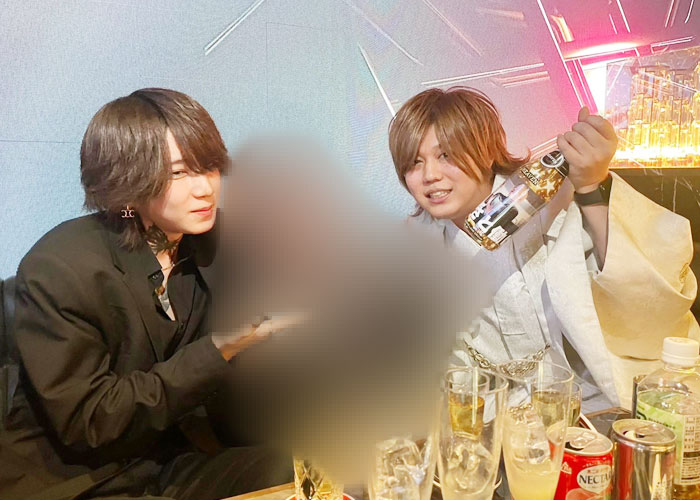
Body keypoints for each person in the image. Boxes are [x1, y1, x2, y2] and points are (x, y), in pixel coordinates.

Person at [0, 89, 292, 500]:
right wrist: (217, 350)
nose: (205, 189)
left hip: (172, 462)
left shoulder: (219, 239)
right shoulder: (61, 267)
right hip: (77, 478)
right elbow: (90, 421)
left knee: (323, 462)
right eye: (179, 174)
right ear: (127, 180)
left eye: (208, 167)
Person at [388, 86, 700, 410]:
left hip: (585, 400)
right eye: (414, 162)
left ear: (484, 150)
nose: (430, 175)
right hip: (487, 409)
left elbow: (638, 290)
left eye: (446, 155)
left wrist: (591, 186)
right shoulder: (417, 242)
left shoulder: (549, 200)